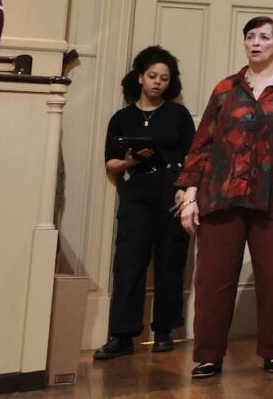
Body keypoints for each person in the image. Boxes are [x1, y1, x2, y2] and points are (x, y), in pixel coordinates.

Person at [176, 17, 273, 379]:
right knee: (212, 282)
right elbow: (202, 143)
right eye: (251, 37)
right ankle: (208, 355)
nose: (256, 43)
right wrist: (190, 195)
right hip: (221, 197)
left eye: (264, 37)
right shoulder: (225, 89)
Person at [94, 46, 193, 361]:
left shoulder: (179, 115)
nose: (157, 83)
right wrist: (129, 160)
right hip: (135, 188)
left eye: (164, 78)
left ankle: (164, 331)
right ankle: (121, 335)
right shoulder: (122, 117)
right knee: (128, 261)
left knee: (170, 259)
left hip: (171, 190)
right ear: (139, 77)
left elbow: (194, 158)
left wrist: (186, 190)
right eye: (152, 76)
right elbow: (110, 163)